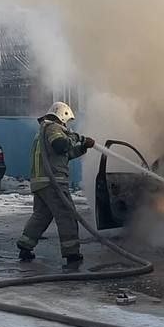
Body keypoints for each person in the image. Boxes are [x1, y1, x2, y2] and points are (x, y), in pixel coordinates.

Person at [16, 101, 94, 267]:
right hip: (53, 182)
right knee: (67, 216)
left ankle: (25, 245)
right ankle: (72, 253)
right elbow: (61, 145)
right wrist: (77, 137)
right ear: (62, 115)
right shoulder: (53, 128)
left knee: (41, 216)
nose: (67, 125)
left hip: (41, 183)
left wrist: (83, 148)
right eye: (67, 121)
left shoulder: (42, 132)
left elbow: (64, 154)